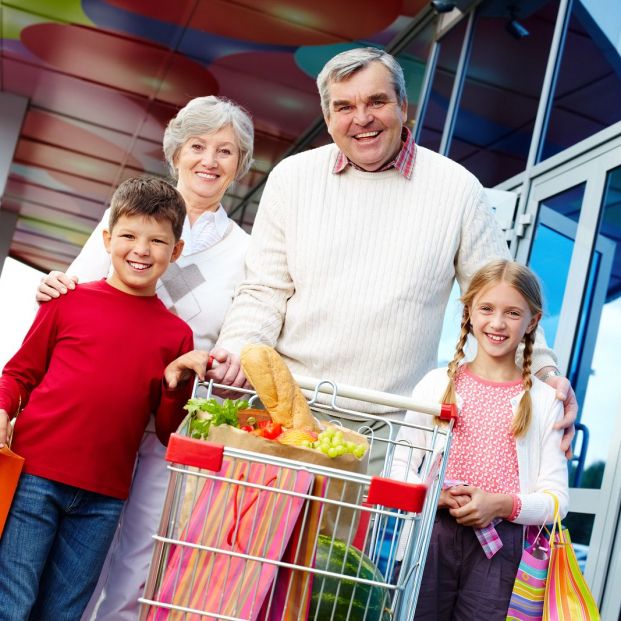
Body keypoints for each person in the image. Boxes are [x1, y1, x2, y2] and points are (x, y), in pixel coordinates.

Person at [207, 47, 577, 450]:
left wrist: (542, 371)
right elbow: (263, 290)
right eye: (344, 107)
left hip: (387, 428)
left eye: (376, 101)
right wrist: (235, 350)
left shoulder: (457, 190)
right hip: (284, 409)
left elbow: (500, 295)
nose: (361, 118)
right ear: (328, 119)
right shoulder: (291, 179)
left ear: (403, 106)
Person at [34, 95, 254, 620]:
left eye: (225, 151)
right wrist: (54, 285)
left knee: (141, 552)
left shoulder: (247, 250)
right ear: (176, 152)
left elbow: (242, 328)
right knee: (76, 544)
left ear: (239, 166)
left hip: (171, 417)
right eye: (198, 146)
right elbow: (80, 285)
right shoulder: (125, 215)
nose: (209, 160)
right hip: (100, 409)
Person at [0, 176, 197, 621]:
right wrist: (2, 408)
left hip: (104, 498)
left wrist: (174, 384)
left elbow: (166, 431)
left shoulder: (176, 334)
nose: (141, 250)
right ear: (108, 240)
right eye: (128, 235)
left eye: (157, 241)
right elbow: (18, 373)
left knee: (63, 613)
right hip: (35, 478)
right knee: (12, 604)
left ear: (176, 251)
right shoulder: (67, 302)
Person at [391, 259, 569, 619]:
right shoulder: (437, 384)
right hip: (432, 539)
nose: (498, 323)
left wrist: (500, 505)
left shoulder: (544, 401)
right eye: (487, 308)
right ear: (469, 311)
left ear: (532, 322)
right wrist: (433, 495)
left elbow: (557, 501)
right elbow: (401, 464)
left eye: (513, 313)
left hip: (503, 553)